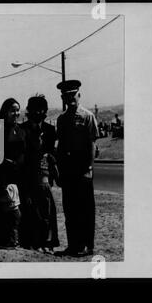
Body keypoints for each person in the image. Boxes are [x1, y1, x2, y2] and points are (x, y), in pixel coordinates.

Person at [54, 80, 99, 257]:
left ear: (79, 95)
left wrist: (89, 167)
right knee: (70, 208)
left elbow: (92, 145)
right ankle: (73, 245)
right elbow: (61, 146)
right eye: (66, 95)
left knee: (85, 208)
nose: (70, 98)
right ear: (62, 98)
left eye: (73, 94)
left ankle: (87, 246)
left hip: (83, 168)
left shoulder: (88, 116)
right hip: (68, 169)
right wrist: (59, 169)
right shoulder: (61, 119)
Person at [20, 94, 60, 253]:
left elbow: (54, 153)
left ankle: (47, 242)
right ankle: (31, 242)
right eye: (35, 109)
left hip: (44, 177)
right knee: (29, 209)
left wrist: (50, 160)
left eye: (41, 110)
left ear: (45, 111)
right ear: (29, 111)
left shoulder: (50, 131)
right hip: (27, 176)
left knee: (46, 210)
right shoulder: (21, 130)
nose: (38, 113)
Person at [0, 98, 27, 248]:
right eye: (12, 110)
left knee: (17, 208)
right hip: (5, 174)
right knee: (4, 207)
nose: (16, 113)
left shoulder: (21, 129)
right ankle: (0, 241)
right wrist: (6, 162)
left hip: (19, 174)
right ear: (5, 111)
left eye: (18, 110)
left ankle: (15, 240)